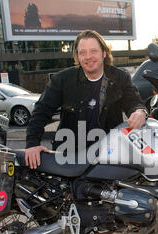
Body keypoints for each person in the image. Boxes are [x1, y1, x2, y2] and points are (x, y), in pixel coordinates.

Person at [25, 30, 148, 169]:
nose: (88, 57)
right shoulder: (62, 80)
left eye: (93, 51)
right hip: (69, 155)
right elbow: (41, 110)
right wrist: (32, 144)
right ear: (77, 56)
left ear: (104, 53)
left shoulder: (120, 78)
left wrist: (139, 112)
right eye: (82, 52)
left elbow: (134, 102)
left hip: (108, 155)